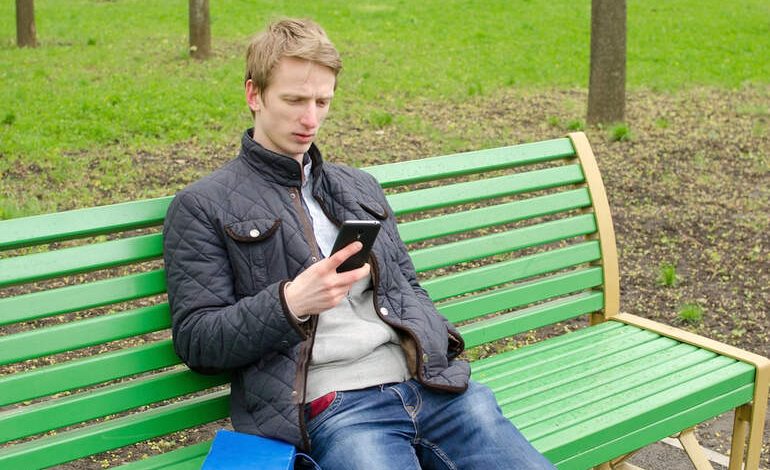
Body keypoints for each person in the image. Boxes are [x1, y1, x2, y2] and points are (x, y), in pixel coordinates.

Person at [163, 17, 555, 469]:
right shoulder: (202, 205)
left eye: (322, 101)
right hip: (338, 407)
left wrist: (436, 344)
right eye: (293, 100)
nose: (310, 119)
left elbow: (409, 286)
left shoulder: (359, 187)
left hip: (432, 389)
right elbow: (197, 341)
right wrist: (290, 302)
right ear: (254, 94)